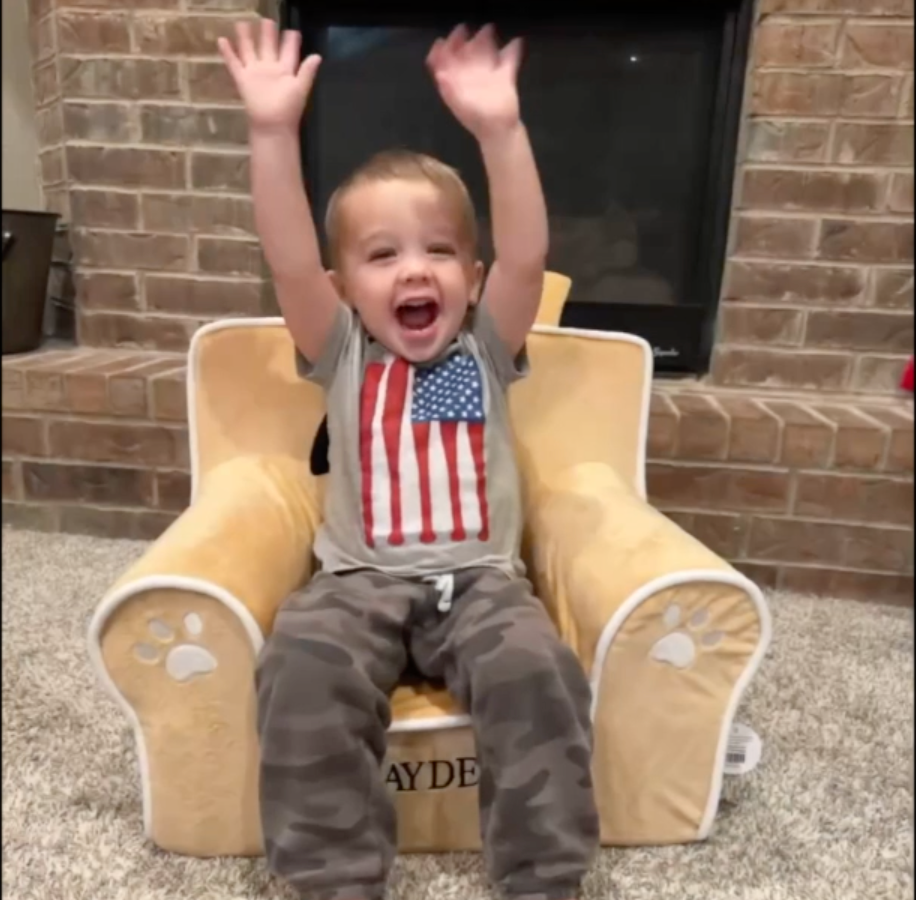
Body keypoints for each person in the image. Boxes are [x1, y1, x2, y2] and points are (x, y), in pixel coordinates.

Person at [218, 18, 599, 900]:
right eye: (382, 256)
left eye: (439, 252)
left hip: (482, 586)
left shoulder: (485, 348)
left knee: (538, 670)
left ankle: (544, 876)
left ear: (473, 276)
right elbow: (288, 257)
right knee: (299, 666)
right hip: (356, 582)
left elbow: (529, 253)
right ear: (345, 288)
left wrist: (501, 131)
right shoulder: (343, 351)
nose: (415, 272)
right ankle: (334, 877)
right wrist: (272, 131)